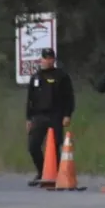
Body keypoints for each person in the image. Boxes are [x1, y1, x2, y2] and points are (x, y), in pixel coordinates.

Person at [25, 48, 75, 185]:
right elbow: (30, 99)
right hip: (39, 115)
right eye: (45, 58)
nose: (48, 60)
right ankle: (42, 171)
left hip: (56, 115)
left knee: (55, 145)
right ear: (41, 59)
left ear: (54, 60)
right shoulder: (36, 77)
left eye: (50, 58)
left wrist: (67, 114)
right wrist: (28, 118)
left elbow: (69, 97)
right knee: (33, 146)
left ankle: (57, 173)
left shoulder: (61, 76)